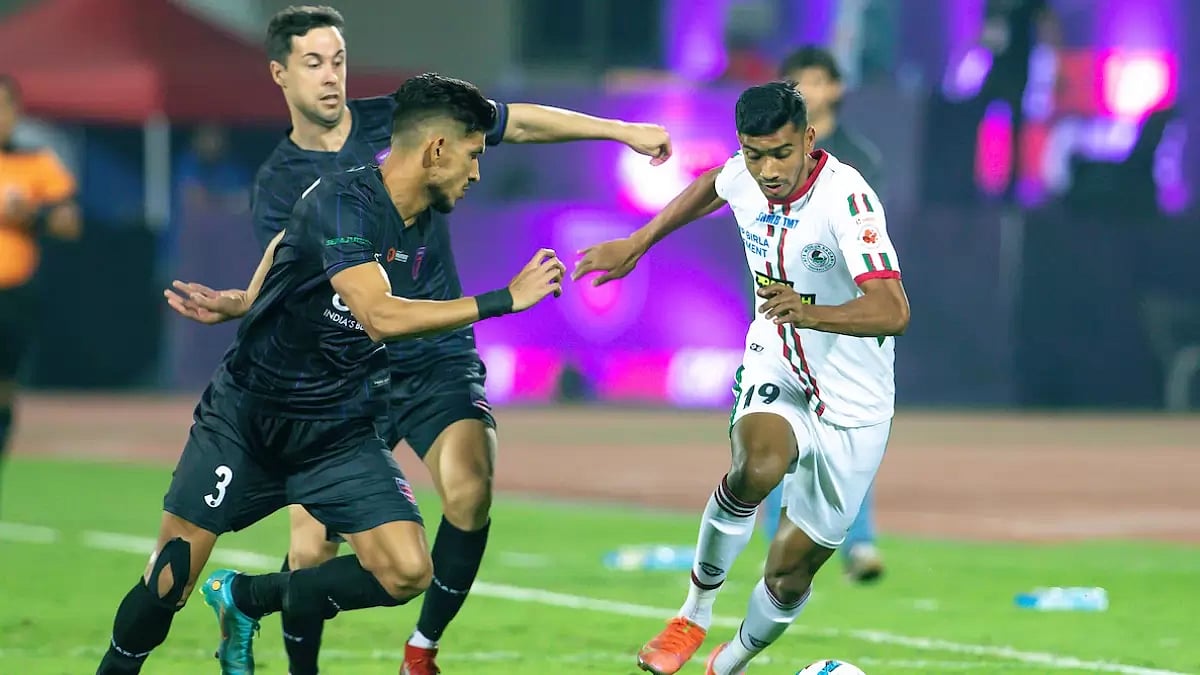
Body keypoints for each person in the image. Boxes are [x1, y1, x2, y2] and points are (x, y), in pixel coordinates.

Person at [246, 7, 673, 675]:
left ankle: (422, 649)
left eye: (337, 60)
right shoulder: (279, 183)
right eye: (312, 63)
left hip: (434, 353)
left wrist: (618, 130)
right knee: (311, 553)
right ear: (280, 74)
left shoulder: (405, 117)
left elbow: (516, 122)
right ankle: (255, 608)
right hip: (344, 370)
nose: (330, 77)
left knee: (471, 489)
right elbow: (288, 274)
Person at [95, 73, 566, 675]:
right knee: (169, 581)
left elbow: (288, 241)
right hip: (248, 422)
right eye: (473, 156)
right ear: (436, 150)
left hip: (337, 430)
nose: (477, 173)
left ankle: (244, 598)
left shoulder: (415, 216)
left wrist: (247, 297)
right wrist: (504, 298)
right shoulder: (346, 201)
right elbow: (378, 314)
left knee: (407, 570)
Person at [573, 81, 909, 675]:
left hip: (855, 399)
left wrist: (809, 311)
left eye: (780, 153)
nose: (766, 169)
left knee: (788, 572)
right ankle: (693, 615)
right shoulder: (745, 174)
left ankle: (725, 665)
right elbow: (711, 185)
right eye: (754, 154)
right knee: (756, 467)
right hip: (777, 358)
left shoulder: (847, 200)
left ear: (808, 140)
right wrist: (637, 243)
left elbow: (893, 310)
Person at [763, 45, 887, 582]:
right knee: (773, 433)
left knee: (848, 428)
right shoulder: (772, 153)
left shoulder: (857, 160)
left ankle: (857, 542)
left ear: (835, 88)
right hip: (782, 311)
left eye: (816, 81)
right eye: (798, 83)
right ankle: (781, 546)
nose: (809, 92)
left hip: (838, 313)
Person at [0, 75, 80, 512]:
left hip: (12, 296)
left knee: (4, 390)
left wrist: (28, 214)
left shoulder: (34, 163)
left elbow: (70, 222)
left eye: (4, 107)